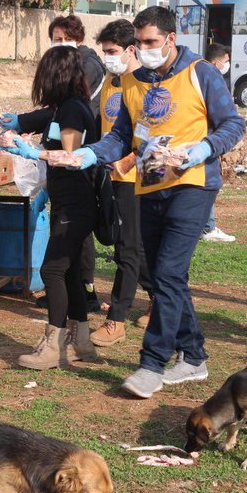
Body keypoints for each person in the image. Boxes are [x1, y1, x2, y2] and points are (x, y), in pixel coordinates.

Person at [65, 6, 246, 398]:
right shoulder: (133, 82)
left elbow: (233, 124)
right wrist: (91, 154)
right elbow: (123, 138)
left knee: (166, 272)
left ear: (170, 39)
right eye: (139, 42)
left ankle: (151, 363)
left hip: (193, 184)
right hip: (147, 186)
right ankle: (194, 356)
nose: (144, 49)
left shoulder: (201, 73)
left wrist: (202, 150)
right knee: (169, 276)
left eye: (151, 42)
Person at [0, 46, 102, 370]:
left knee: (51, 270)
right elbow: (49, 121)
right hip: (67, 201)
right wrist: (18, 123)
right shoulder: (66, 108)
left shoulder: (72, 110)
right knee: (69, 271)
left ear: (54, 75)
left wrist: (32, 152)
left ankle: (53, 346)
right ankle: (82, 341)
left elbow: (71, 157)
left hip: (77, 203)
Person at [91, 20, 156, 347]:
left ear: (131, 50)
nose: (107, 58)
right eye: (104, 52)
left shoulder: (144, 85)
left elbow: (149, 135)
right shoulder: (109, 82)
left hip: (135, 177)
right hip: (111, 175)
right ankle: (162, 296)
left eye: (112, 52)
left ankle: (116, 320)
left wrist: (127, 161)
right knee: (128, 244)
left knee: (127, 248)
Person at [200, 42, 236, 243]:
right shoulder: (211, 81)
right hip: (207, 141)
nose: (227, 65)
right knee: (209, 182)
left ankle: (206, 225)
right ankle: (207, 227)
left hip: (206, 140)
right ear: (216, 62)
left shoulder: (198, 78)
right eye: (226, 61)